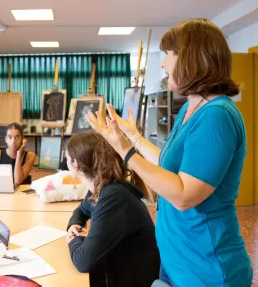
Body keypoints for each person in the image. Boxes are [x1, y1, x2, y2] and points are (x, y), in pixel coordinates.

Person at [86, 18, 253, 287]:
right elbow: (167, 164)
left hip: (206, 271)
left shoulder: (216, 116)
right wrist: (135, 137)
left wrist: (126, 152)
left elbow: (184, 195)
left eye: (168, 55)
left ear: (191, 58)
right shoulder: (190, 108)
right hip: (177, 260)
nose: (163, 64)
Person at [65, 131, 160, 286]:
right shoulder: (104, 187)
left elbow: (83, 262)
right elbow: (81, 210)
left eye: (67, 158)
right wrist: (74, 225)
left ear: (75, 164)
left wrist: (73, 239)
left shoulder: (113, 197)